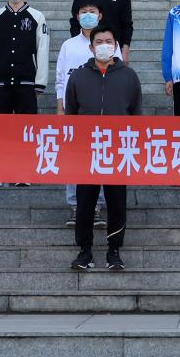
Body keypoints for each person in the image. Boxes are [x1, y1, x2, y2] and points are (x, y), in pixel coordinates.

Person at [66, 23, 143, 272]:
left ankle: (114, 251)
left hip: (118, 150)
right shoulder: (78, 76)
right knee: (85, 202)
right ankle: (85, 251)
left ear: (116, 46)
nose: (104, 46)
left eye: (109, 42)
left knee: (117, 202)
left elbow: (136, 114)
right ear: (91, 48)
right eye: (99, 42)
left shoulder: (129, 76)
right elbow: (71, 113)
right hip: (87, 150)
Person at [57, 3, 99, 226]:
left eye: (92, 11)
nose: (88, 16)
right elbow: (60, 78)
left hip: (101, 112)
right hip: (74, 111)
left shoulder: (108, 44)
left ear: (100, 15)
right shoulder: (69, 45)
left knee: (100, 157)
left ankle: (98, 205)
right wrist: (60, 107)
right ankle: (75, 205)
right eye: (84, 12)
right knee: (73, 159)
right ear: (77, 15)